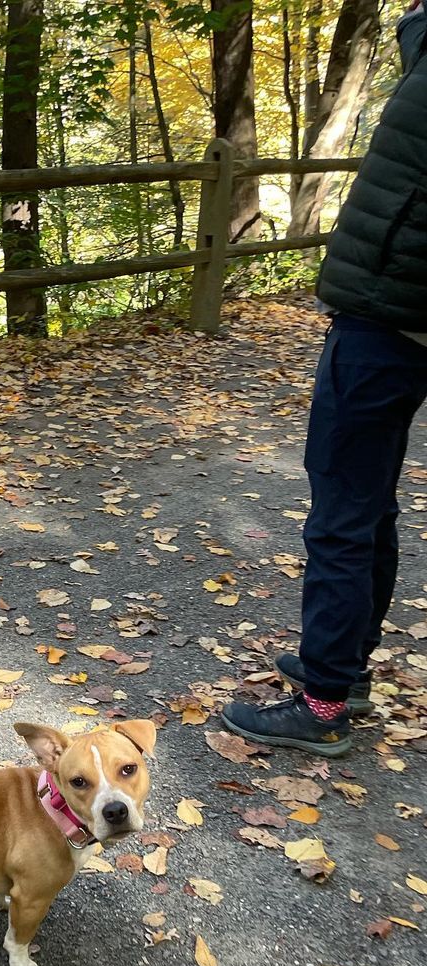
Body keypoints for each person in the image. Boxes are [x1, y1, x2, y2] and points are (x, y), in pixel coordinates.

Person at [222, 0, 427, 757]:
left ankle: (324, 702)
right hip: (401, 310)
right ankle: (342, 669)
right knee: (367, 507)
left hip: (387, 309)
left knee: (345, 511)